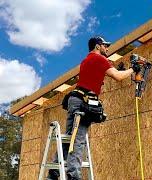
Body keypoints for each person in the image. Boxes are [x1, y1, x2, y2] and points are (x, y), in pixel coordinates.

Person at [47, 36, 140, 180]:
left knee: (69, 137)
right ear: (98, 46)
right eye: (105, 46)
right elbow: (118, 77)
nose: (107, 48)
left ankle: (54, 171)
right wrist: (132, 70)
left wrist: (117, 70)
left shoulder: (86, 60)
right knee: (78, 140)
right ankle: (73, 176)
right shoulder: (100, 59)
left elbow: (96, 77)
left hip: (75, 99)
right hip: (82, 102)